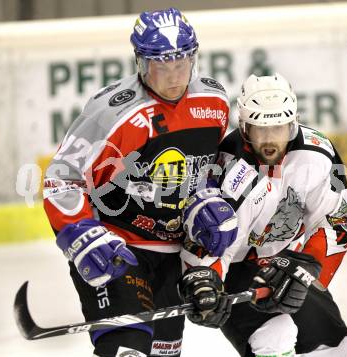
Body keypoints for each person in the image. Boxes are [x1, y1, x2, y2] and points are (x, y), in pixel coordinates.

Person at [42, 8, 238, 357]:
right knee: (127, 350)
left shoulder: (214, 102)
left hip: (171, 256)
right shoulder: (113, 114)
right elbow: (62, 179)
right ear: (141, 62)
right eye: (162, 66)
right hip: (117, 249)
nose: (174, 77)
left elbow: (211, 167)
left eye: (182, 63)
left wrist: (209, 200)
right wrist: (78, 233)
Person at [179, 73, 347, 356]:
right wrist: (206, 282)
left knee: (331, 343)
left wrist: (307, 268)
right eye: (261, 129)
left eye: (280, 128)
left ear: (293, 123)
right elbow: (211, 239)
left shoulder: (321, 154)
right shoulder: (226, 168)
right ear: (245, 126)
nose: (270, 140)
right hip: (236, 267)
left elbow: (337, 223)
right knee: (274, 337)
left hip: (285, 259)